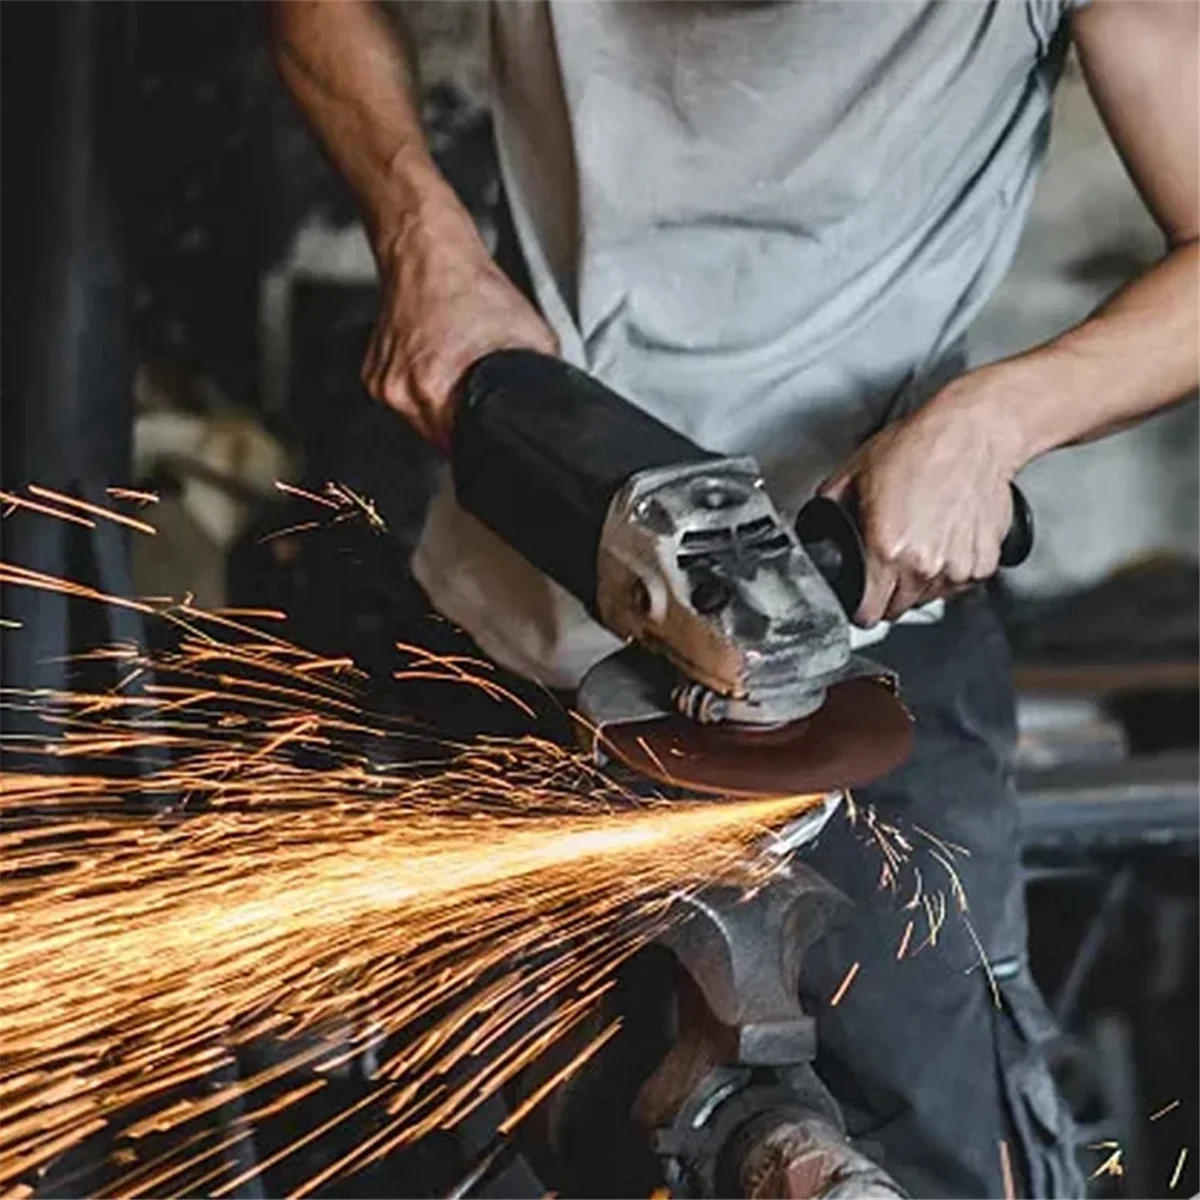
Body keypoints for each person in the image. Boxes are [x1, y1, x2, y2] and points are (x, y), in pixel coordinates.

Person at [268, 1, 1200, 1195]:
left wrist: (998, 420)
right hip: (515, 619)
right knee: (476, 1140)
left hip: (873, 649)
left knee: (930, 1152)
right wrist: (418, 229)